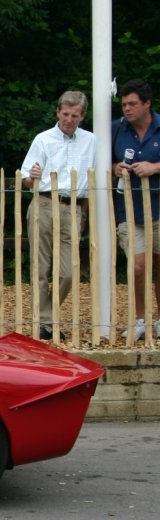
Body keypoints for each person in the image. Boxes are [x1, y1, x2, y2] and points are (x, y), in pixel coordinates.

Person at [20, 90, 96, 342]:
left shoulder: (91, 141)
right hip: (43, 202)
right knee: (40, 267)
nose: (69, 119)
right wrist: (32, 175)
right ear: (58, 112)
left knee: (68, 271)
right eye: (65, 114)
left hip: (72, 206)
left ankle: (48, 315)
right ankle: (45, 322)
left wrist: (84, 213)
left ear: (82, 116)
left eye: (74, 115)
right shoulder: (43, 139)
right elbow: (26, 179)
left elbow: (94, 178)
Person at [112, 79, 160, 342]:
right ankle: (141, 320)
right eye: (124, 104)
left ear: (147, 104)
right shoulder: (117, 129)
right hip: (128, 210)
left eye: (132, 104)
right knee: (138, 267)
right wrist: (115, 168)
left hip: (159, 208)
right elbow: (104, 161)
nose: (127, 109)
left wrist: (155, 168)